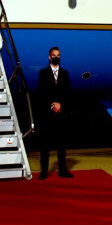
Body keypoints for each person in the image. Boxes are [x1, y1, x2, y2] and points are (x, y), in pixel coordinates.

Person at [36, 47, 74, 180]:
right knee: (45, 145)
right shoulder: (43, 73)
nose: (56, 57)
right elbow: (40, 94)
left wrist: (60, 104)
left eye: (58, 55)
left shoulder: (65, 73)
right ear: (49, 57)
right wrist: (52, 104)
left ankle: (63, 170)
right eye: (54, 55)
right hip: (47, 115)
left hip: (62, 114)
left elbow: (67, 93)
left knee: (62, 144)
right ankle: (44, 172)